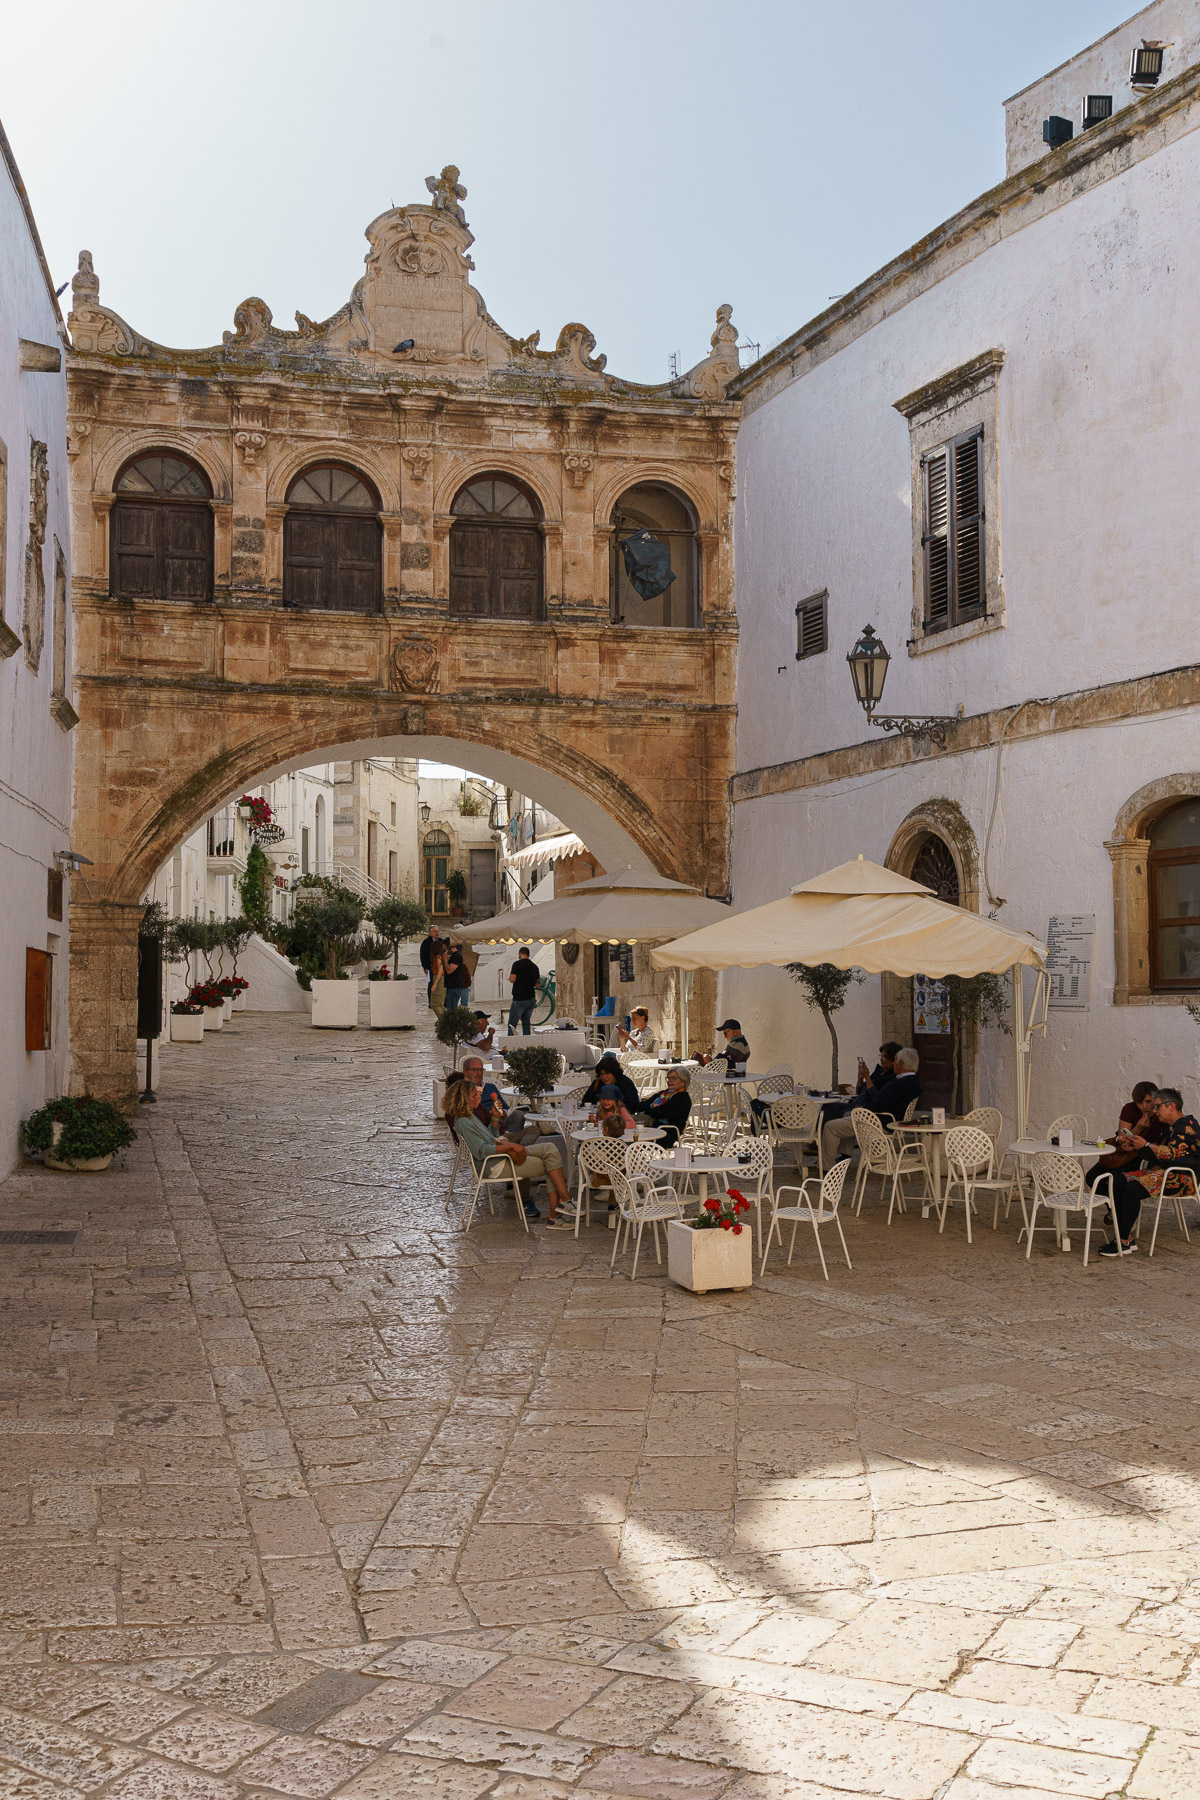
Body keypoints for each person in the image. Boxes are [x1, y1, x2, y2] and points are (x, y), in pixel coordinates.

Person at [444, 1079, 572, 1227]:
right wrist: (511, 1145)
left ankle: (563, 1203)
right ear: (463, 1100)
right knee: (551, 1163)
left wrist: (495, 1118)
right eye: (474, 1096)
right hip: (494, 1165)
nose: (479, 1097)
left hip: (498, 1159)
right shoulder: (464, 1122)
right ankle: (558, 1211)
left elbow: (492, 1137)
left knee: (549, 1148)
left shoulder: (469, 1116)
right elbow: (482, 1151)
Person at [1100, 1087, 1200, 1257]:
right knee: (1116, 1181)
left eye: (1157, 1107)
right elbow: (1155, 1153)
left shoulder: (1187, 1125)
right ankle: (1126, 1237)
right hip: (1160, 1172)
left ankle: (1122, 1241)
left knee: (1132, 1188)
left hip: (1182, 1178)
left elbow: (1170, 1153)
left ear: (1171, 1106)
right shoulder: (1167, 1127)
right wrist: (1135, 1144)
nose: (1154, 1111)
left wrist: (1146, 1145)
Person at [820, 1047, 921, 1168]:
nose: (893, 1063)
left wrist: (863, 1108)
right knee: (847, 1114)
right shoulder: (912, 1081)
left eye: (895, 1060)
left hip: (880, 1121)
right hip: (886, 1118)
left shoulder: (899, 1083)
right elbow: (883, 1102)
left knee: (830, 1127)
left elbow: (881, 1105)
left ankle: (827, 1168)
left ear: (902, 1063)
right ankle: (845, 1157)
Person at [1087, 1080, 1163, 1182]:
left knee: (1113, 1179)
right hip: (1126, 1152)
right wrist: (1138, 1128)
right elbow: (1122, 1136)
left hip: (1143, 1155)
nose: (1144, 1106)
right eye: (1139, 1102)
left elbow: (1163, 1143)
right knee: (1092, 1177)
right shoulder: (1130, 1108)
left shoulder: (1161, 1112)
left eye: (1148, 1101)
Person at [638, 1067, 692, 1147]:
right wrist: (652, 1107)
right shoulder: (663, 1094)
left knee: (633, 1135)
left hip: (665, 1133)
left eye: (673, 1078)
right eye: (668, 1078)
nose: (669, 1081)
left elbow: (662, 1112)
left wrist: (650, 1109)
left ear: (683, 1082)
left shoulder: (683, 1098)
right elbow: (643, 1105)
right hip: (651, 1128)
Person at [508, 946, 541, 1035]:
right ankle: (527, 1041)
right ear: (529, 955)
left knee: (512, 1024)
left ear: (520, 954)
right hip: (531, 999)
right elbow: (538, 984)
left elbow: (512, 979)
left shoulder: (516, 964)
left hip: (519, 999)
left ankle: (510, 1041)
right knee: (526, 1022)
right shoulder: (535, 967)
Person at [443, 941, 471, 1010]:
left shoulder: (456, 956)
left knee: (451, 1007)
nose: (446, 951)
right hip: (452, 985)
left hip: (455, 986)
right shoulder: (454, 956)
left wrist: (445, 960)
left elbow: (449, 971)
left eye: (446, 949)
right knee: (450, 1006)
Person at [419, 924, 441, 1010]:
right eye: (435, 931)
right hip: (431, 967)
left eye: (437, 931)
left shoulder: (441, 941)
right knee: (431, 984)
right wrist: (425, 967)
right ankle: (431, 1002)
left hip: (440, 967)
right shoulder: (426, 942)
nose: (436, 933)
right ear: (430, 932)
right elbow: (423, 955)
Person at [428, 941, 447, 1014]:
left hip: (439, 979)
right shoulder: (442, 957)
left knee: (435, 1004)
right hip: (443, 979)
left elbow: (440, 970)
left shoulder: (437, 958)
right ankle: (446, 1019)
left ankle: (443, 1019)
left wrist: (435, 983)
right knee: (440, 1003)